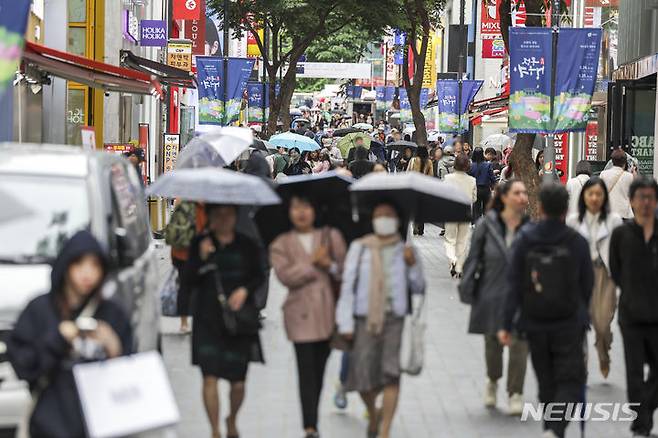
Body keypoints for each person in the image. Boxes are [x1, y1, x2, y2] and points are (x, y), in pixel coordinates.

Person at [8, 230, 132, 438]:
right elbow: (24, 365)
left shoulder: (111, 313)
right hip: (50, 425)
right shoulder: (40, 309)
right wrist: (59, 338)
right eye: (79, 264)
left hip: (102, 422)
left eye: (95, 265)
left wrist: (114, 348)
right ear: (66, 266)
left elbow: (133, 375)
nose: (87, 273)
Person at [499, 183, 593, 438]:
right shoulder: (577, 242)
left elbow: (514, 284)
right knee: (570, 379)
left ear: (539, 207)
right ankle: (555, 429)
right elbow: (587, 286)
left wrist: (507, 324)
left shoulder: (525, 239)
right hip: (568, 323)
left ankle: (552, 429)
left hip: (534, 322)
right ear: (566, 209)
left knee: (546, 379)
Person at [336, 202, 425, 438]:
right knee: (363, 379)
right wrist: (344, 323)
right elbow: (347, 287)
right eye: (379, 215)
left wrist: (412, 265)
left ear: (397, 220)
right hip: (364, 319)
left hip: (394, 319)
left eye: (389, 215)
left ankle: (384, 430)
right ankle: (373, 415)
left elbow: (419, 287)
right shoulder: (360, 247)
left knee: (390, 374)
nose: (384, 218)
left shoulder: (405, 249)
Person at [270, 196, 347, 438]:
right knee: (306, 370)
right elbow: (285, 276)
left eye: (306, 206)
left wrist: (330, 265)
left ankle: (311, 418)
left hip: (327, 314)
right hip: (299, 315)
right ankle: (310, 426)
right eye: (296, 207)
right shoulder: (282, 243)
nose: (301, 212)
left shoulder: (330, 236)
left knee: (319, 369)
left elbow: (346, 270)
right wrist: (314, 266)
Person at [187, 204, 267, 438]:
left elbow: (259, 274)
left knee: (238, 383)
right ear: (210, 217)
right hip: (207, 319)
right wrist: (201, 257)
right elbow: (188, 280)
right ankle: (215, 431)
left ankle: (232, 418)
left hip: (239, 321)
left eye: (228, 214)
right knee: (209, 376)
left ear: (235, 216)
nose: (223, 219)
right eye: (218, 214)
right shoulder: (200, 243)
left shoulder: (247, 244)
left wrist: (244, 290)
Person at [461, 179, 529, 415]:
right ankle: (492, 380)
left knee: (520, 344)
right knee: (493, 343)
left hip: (520, 295)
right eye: (517, 193)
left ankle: (515, 392)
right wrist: (467, 287)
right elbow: (473, 258)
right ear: (504, 197)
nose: (523, 197)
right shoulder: (486, 225)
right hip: (491, 290)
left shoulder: (529, 227)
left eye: (524, 193)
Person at [609, 177, 658, 437]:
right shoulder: (622, 234)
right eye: (641, 198)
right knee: (634, 372)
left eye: (651, 197)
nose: (646, 203)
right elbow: (616, 270)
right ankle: (642, 424)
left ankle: (646, 409)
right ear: (632, 201)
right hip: (632, 315)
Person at [566, 177, 622, 379]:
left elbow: (618, 251)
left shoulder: (614, 221)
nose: (595, 198)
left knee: (602, 323)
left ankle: (604, 353)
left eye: (599, 194)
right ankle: (581, 366)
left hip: (605, 276)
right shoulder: (573, 221)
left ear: (604, 197)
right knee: (579, 322)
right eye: (591, 194)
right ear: (584, 197)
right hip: (580, 275)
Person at [444, 154, 477, 278]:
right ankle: (460, 266)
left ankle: (452, 261)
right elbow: (474, 198)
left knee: (450, 239)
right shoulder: (472, 180)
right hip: (465, 212)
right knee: (462, 240)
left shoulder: (447, 178)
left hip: (450, 211)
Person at [406, 147, 434, 236]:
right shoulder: (429, 162)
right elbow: (431, 175)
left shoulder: (413, 160)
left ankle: (415, 225)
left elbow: (408, 172)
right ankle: (421, 229)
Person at [600, 149, 634, 220]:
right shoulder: (629, 176)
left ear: (612, 161)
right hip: (624, 213)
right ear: (625, 162)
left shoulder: (603, 174)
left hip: (608, 212)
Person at [469, 147, 496, 221]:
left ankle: (476, 224)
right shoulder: (488, 165)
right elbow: (492, 177)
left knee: (476, 208)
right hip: (486, 189)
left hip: (475, 189)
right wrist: (494, 185)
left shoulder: (471, 166)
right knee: (487, 208)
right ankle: (486, 224)